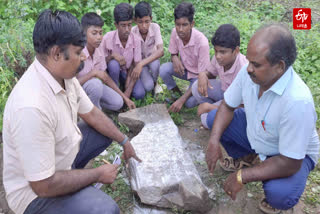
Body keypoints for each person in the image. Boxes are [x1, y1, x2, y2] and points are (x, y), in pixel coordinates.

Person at [2, 9, 140, 214]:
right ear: (56, 54)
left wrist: (124, 141)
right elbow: (43, 185)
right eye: (77, 52)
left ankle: (72, 181)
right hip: (35, 194)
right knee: (107, 210)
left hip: (58, 162)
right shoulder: (31, 106)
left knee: (104, 131)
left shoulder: (62, 75)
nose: (84, 56)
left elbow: (92, 113)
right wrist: (97, 174)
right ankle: (72, 190)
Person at [205, 24, 319, 213]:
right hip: (260, 131)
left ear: (280, 66)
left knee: (280, 194)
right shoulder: (250, 73)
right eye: (249, 61)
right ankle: (248, 157)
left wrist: (242, 176)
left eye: (256, 64)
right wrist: (213, 141)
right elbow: (227, 106)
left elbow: (290, 161)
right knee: (213, 117)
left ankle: (264, 173)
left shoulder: (298, 101)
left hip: (291, 155)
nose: (248, 68)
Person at [191, 24, 248, 128]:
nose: (217, 56)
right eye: (216, 51)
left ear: (236, 51)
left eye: (222, 52)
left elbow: (244, 107)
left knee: (205, 118)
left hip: (237, 104)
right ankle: (215, 109)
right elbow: (211, 73)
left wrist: (210, 107)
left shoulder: (244, 69)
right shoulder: (219, 59)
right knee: (196, 86)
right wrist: (203, 74)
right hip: (225, 92)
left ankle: (214, 111)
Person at [77, 12, 135, 111]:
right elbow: (70, 85)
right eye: (94, 33)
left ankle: (92, 105)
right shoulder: (77, 51)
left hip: (93, 90)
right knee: (95, 84)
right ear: (84, 33)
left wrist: (125, 98)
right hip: (77, 91)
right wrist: (93, 73)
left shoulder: (98, 48)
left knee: (118, 102)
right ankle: (92, 114)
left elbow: (105, 77)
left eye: (100, 33)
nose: (99, 37)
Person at [159, 2, 210, 112]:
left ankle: (190, 98)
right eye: (178, 24)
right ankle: (176, 94)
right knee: (163, 69)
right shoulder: (175, 32)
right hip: (185, 70)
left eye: (185, 25)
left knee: (188, 103)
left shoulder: (202, 42)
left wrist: (182, 100)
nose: (180, 29)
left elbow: (203, 75)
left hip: (199, 77)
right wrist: (174, 57)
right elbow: (173, 52)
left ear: (192, 24)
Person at [99, 3, 144, 100]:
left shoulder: (136, 40)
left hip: (128, 72)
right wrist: (112, 56)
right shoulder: (108, 38)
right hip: (112, 75)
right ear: (116, 25)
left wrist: (129, 82)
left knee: (140, 94)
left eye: (129, 25)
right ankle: (115, 93)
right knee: (113, 65)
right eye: (123, 25)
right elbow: (100, 63)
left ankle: (124, 89)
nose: (127, 29)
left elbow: (135, 65)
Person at [131, 1, 164, 94]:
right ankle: (148, 81)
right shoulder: (132, 32)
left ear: (151, 19)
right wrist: (140, 65)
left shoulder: (155, 27)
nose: (144, 26)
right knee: (148, 87)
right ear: (135, 20)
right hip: (140, 64)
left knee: (155, 64)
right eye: (140, 22)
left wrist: (141, 63)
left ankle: (156, 82)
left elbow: (161, 51)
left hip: (151, 60)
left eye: (147, 21)